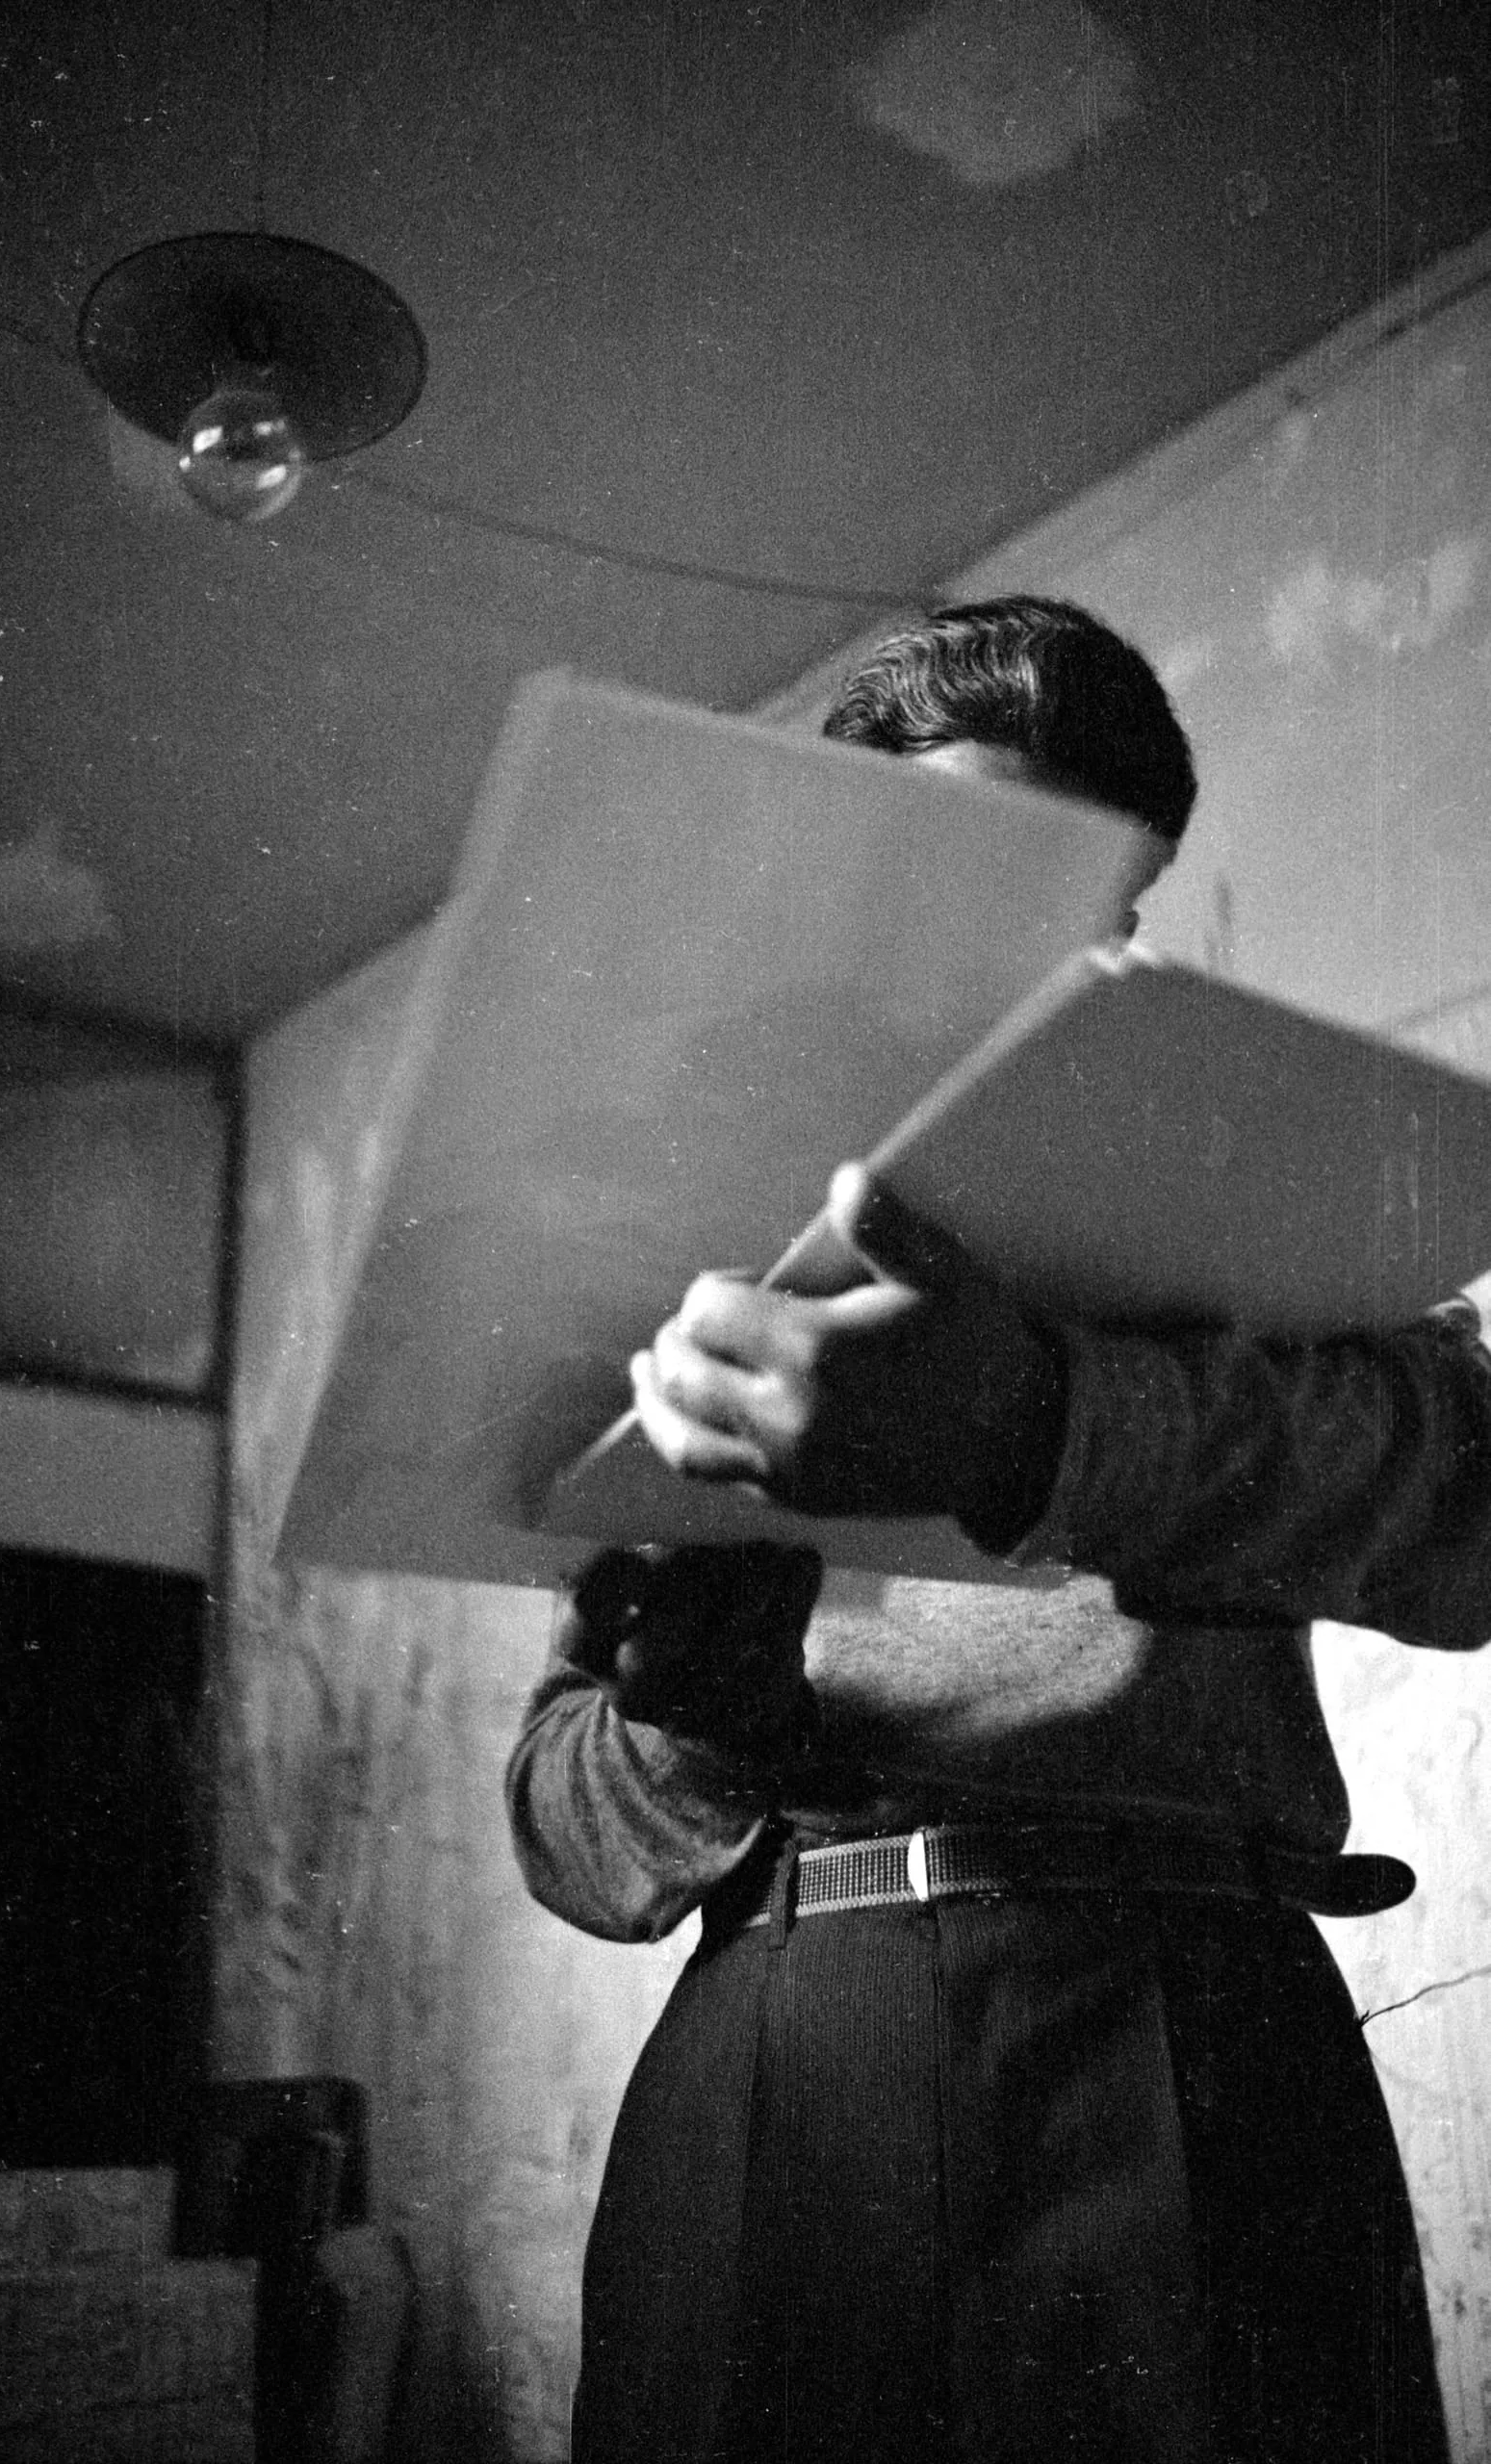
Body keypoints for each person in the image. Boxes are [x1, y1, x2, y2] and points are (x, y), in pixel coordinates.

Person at [505, 598, 1491, 2464]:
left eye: (1090, 906)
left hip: (1202, 2023)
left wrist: (1041, 1421)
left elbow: (1474, 1503)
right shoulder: (676, 1256)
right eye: (963, 890)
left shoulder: (1262, 1186)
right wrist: (695, 1725)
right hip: (793, 2045)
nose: (1031, 964)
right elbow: (571, 1839)